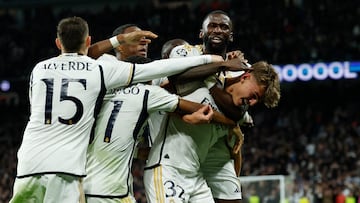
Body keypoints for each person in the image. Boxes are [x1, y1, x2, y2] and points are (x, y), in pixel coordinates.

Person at [9, 16, 227, 202]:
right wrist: (212, 60)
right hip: (76, 172)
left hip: (31, 162)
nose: (144, 43)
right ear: (89, 40)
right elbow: (160, 69)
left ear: (58, 43)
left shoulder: (39, 69)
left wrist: (119, 40)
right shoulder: (104, 71)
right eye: (137, 39)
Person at [83, 55, 237, 203]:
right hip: (113, 190)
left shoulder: (105, 94)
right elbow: (200, 109)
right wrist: (232, 124)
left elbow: (109, 137)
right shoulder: (147, 93)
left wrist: (138, 152)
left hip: (86, 183)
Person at [143, 42, 279, 202]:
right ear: (245, 77)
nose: (252, 102)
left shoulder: (239, 114)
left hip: (195, 175)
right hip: (168, 167)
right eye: (254, 95)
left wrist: (232, 125)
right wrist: (182, 115)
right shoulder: (197, 80)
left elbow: (234, 152)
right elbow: (159, 98)